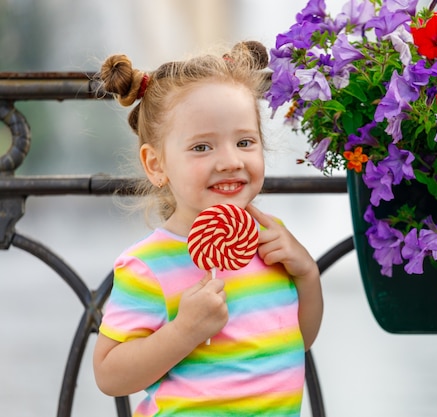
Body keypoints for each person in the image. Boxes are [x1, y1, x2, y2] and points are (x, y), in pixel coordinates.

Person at [92, 42, 323, 417]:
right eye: (202, 147)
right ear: (156, 164)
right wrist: (184, 332)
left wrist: (307, 273)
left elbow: (299, 339)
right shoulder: (148, 265)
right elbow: (109, 375)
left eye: (245, 142)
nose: (231, 161)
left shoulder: (270, 239)